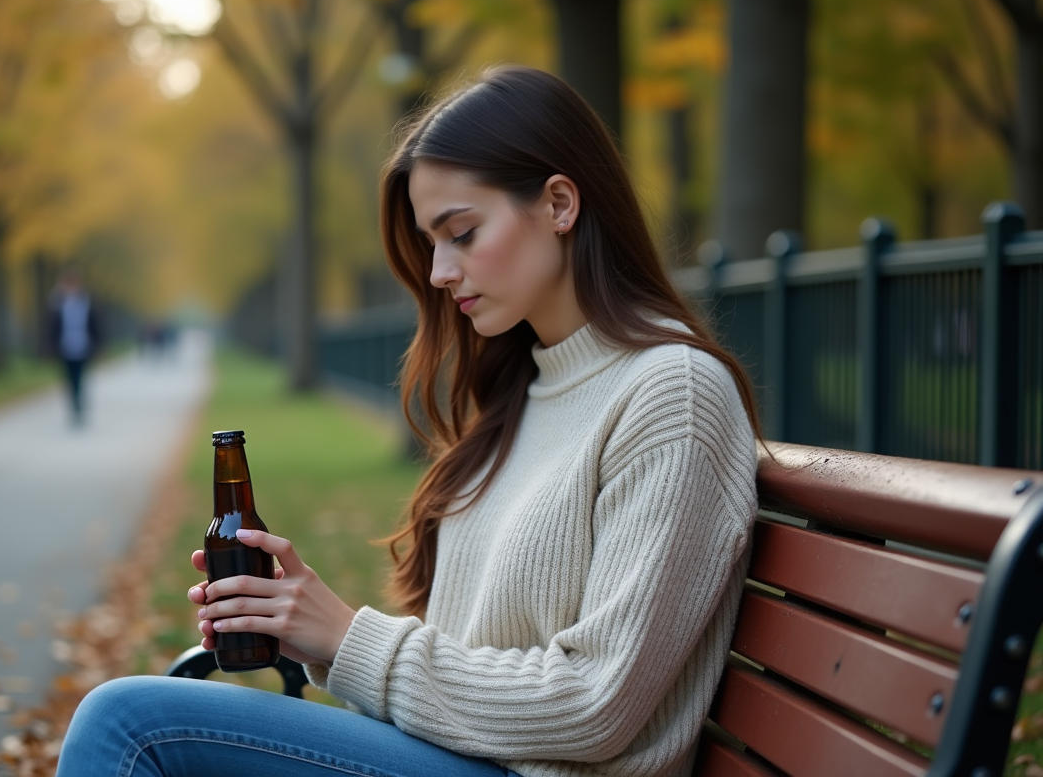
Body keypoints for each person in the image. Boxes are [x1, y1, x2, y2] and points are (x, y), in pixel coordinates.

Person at [56, 65, 761, 777]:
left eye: (462, 233)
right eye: (431, 242)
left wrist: (350, 638)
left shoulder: (673, 394)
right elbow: (473, 661)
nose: (438, 272)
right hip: (463, 760)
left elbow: (594, 704)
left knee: (127, 724)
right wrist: (317, 641)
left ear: (558, 204)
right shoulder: (526, 391)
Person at [48, 268, 101, 426]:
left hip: (83, 347)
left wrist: (98, 345)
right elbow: (51, 327)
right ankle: (73, 405)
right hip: (64, 347)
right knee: (68, 379)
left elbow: (96, 325)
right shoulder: (56, 303)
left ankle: (78, 405)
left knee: (80, 377)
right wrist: (50, 346)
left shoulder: (87, 302)